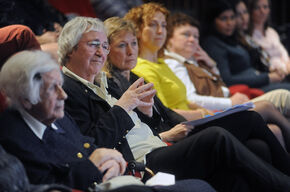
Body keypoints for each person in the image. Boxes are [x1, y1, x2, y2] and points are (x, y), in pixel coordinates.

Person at [59, 15, 290, 191]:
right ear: (70, 48)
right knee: (216, 137)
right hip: (141, 162)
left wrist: (149, 118)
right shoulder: (66, 90)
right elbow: (92, 143)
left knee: (248, 143)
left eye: (104, 46)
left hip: (158, 144)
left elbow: (147, 123)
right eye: (94, 45)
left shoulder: (104, 82)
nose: (101, 52)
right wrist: (124, 107)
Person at [0, 50, 214, 192]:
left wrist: (106, 157)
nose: (62, 95)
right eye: (51, 89)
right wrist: (95, 164)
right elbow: (52, 182)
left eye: (60, 85)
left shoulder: (54, 115)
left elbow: (84, 144)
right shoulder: (13, 137)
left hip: (120, 176)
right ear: (25, 99)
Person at [163, 12, 290, 149]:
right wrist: (231, 102)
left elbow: (220, 87)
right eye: (186, 34)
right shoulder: (174, 64)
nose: (192, 39)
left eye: (196, 36)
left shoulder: (193, 60)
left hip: (224, 105)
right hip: (213, 112)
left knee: (276, 121)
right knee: (274, 101)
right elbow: (191, 99)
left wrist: (211, 65)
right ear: (169, 38)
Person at [201, 0, 290, 92]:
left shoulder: (232, 39)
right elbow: (226, 80)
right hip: (247, 90)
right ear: (212, 21)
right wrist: (267, 78)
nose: (229, 23)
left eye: (232, 18)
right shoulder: (212, 44)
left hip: (259, 82)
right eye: (223, 18)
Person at [247, 0, 290, 75]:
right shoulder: (249, 36)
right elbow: (262, 63)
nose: (262, 11)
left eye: (265, 7)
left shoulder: (271, 31)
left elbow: (283, 53)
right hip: (271, 73)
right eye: (257, 8)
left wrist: (287, 65)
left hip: (285, 69)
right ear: (251, 11)